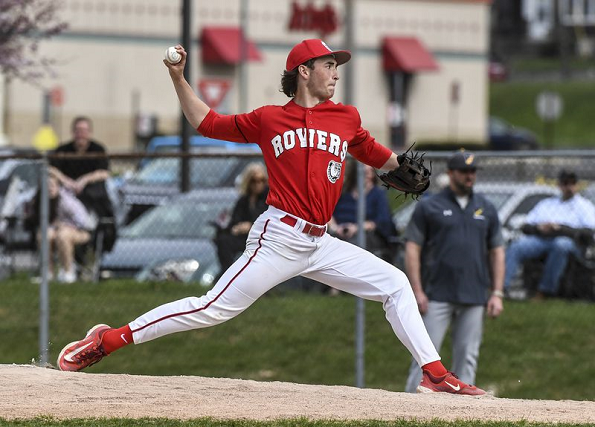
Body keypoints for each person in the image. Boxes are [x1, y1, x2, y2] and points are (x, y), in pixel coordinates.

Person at [57, 39, 485, 395]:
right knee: (211, 308)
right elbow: (206, 122)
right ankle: (106, 340)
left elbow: (379, 156)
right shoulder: (269, 119)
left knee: (394, 283)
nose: (335, 73)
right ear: (304, 71)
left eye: (336, 66)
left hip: (323, 242)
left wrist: (405, 170)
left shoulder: (347, 117)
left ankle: (434, 374)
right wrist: (178, 77)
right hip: (277, 239)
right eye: (328, 65)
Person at [403, 150, 505, 393]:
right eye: (463, 171)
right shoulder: (430, 206)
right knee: (424, 357)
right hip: (437, 294)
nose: (469, 176)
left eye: (472, 171)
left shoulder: (486, 208)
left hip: (474, 295)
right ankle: (406, 408)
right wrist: (417, 290)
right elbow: (412, 247)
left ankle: (462, 414)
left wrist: (497, 293)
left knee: (467, 359)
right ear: (450, 173)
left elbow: (497, 250)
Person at [504, 170, 595, 299]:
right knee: (517, 246)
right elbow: (526, 226)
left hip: (571, 243)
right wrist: (539, 228)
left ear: (577, 185)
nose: (569, 187)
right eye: (565, 183)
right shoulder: (547, 204)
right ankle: (500, 288)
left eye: (572, 183)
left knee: (560, 245)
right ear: (559, 185)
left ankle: (545, 291)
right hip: (543, 239)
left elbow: (589, 232)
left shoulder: (584, 206)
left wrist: (561, 229)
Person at [50, 116, 117, 252]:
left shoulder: (97, 149)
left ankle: (87, 230)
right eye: (78, 130)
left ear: (90, 132)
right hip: (67, 197)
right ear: (73, 132)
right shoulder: (63, 150)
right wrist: (66, 181)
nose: (81, 134)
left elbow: (104, 173)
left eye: (84, 130)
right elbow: (50, 168)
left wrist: (84, 180)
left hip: (91, 198)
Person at [29, 175, 95, 283]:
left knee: (63, 235)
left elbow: (85, 222)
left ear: (58, 186)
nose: (49, 188)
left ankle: (68, 273)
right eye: (45, 186)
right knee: (44, 235)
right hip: (57, 230)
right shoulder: (42, 202)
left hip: (81, 232)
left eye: (51, 185)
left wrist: (67, 225)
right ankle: (48, 273)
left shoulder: (66, 200)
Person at [329, 160, 395, 260]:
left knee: (353, 244)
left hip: (367, 237)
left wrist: (356, 227)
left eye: (369, 173)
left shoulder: (378, 194)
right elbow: (328, 212)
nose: (366, 177)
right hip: (338, 233)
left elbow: (382, 221)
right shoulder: (343, 193)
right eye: (363, 173)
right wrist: (335, 227)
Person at [215, 162, 268, 273]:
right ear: (248, 181)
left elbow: (271, 221)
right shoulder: (244, 200)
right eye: (254, 180)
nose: (258, 184)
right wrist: (236, 227)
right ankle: (227, 273)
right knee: (223, 241)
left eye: (262, 180)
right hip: (244, 237)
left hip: (263, 238)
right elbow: (235, 219)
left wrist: (251, 225)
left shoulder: (268, 199)